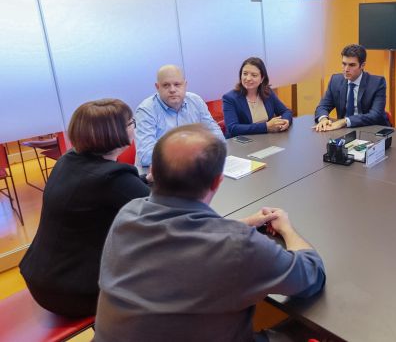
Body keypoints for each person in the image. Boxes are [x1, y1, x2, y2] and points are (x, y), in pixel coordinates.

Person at [94, 124, 326, 342]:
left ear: (152, 171)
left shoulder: (128, 214)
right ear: (217, 181)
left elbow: (185, 238)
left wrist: (243, 224)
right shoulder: (236, 245)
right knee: (306, 329)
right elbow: (311, 275)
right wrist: (287, 229)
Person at [19, 99, 150, 317]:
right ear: (115, 132)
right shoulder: (113, 179)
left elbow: (123, 191)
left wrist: (145, 179)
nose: (134, 126)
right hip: (72, 294)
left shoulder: (68, 161)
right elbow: (163, 212)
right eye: (131, 122)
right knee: (162, 272)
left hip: (41, 276)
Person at [135, 64, 224, 169]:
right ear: (157, 87)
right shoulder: (146, 110)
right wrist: (194, 151)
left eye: (177, 84)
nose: (172, 90)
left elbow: (216, 135)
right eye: (166, 85)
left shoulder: (196, 101)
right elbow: (146, 155)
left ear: (185, 85)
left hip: (195, 167)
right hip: (159, 173)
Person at [314, 44, 389, 131]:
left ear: (362, 65)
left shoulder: (377, 83)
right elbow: (322, 106)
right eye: (344, 64)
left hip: (371, 130)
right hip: (344, 132)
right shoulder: (335, 80)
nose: (346, 69)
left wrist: (345, 121)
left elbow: (375, 115)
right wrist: (323, 119)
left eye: (352, 65)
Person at [222, 57, 293, 138]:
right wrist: (266, 126)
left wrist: (285, 121)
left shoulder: (268, 92)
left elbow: (286, 111)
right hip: (241, 144)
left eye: (254, 75)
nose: (248, 78)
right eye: (245, 73)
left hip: (266, 140)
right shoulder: (229, 98)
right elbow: (233, 128)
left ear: (262, 78)